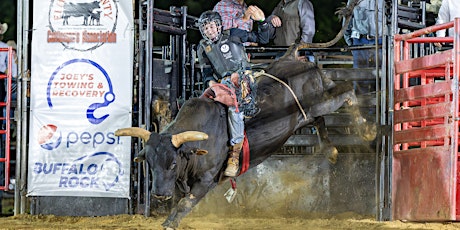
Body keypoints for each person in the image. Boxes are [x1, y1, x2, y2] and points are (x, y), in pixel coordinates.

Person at [197, 11, 258, 177]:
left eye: (211, 26)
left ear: (218, 25)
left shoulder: (233, 34)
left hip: (243, 76)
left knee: (234, 107)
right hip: (223, 82)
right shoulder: (203, 47)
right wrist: (210, 83)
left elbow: (259, 36)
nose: (209, 31)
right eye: (206, 28)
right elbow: (207, 73)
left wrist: (264, 22)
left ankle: (234, 154)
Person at [343, 0, 384, 69]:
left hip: (381, 42)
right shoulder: (354, 1)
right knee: (360, 74)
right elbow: (347, 22)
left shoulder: (388, 1)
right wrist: (350, 43)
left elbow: (393, 21)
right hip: (359, 41)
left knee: (380, 73)